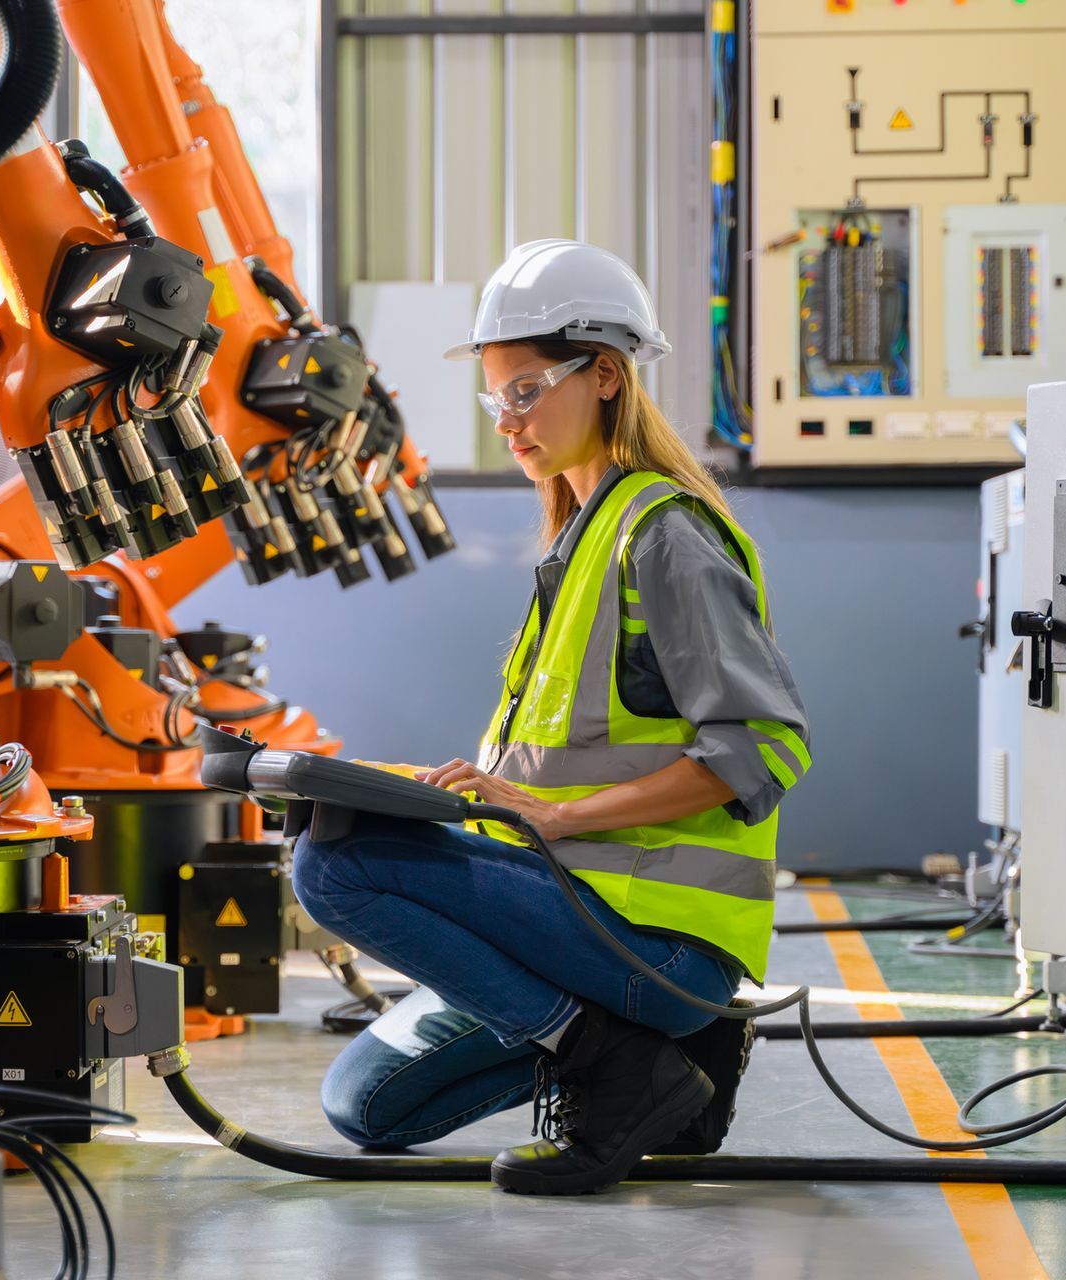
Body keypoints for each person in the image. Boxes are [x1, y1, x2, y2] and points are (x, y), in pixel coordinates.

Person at [289, 239, 810, 1196]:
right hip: (570, 910)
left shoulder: (666, 537)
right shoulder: (578, 540)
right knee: (368, 1105)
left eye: (526, 392)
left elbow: (764, 750)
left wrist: (554, 818)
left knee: (333, 864)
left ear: (605, 374)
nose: (509, 423)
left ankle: (621, 1063)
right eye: (498, 401)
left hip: (655, 936)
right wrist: (424, 792)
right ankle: (679, 1059)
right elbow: (563, 762)